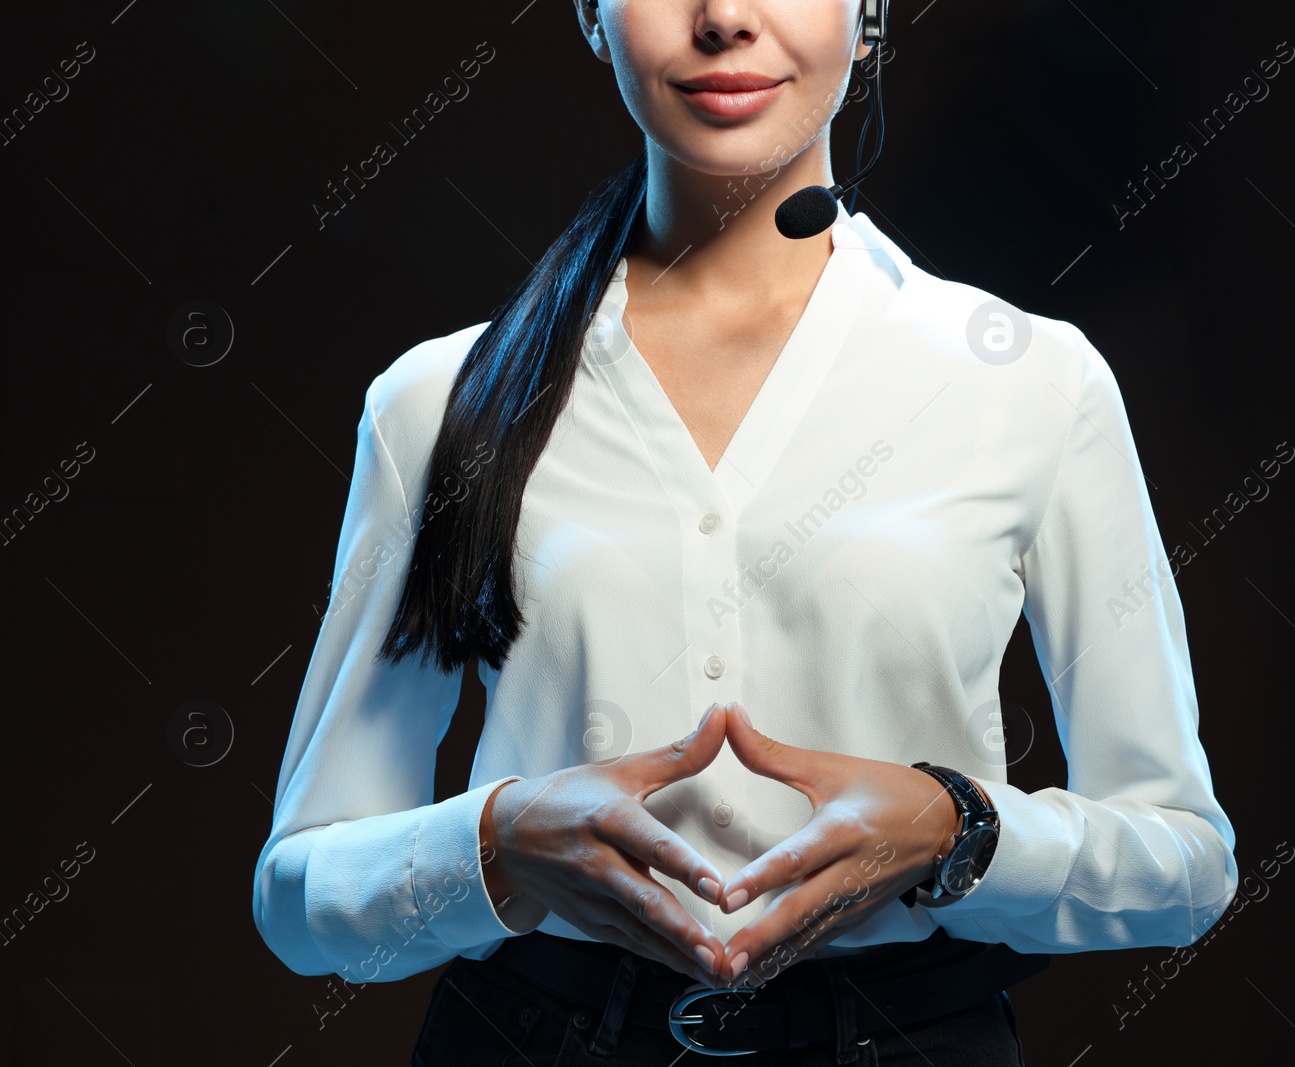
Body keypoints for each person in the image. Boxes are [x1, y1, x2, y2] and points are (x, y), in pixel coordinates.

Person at [252, 1, 1239, 1063]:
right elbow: (302, 899)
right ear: (590, 14)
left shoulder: (1032, 381)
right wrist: (497, 840)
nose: (724, 17)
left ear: (870, 16)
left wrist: (958, 827)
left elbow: (1182, 863)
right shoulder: (438, 402)